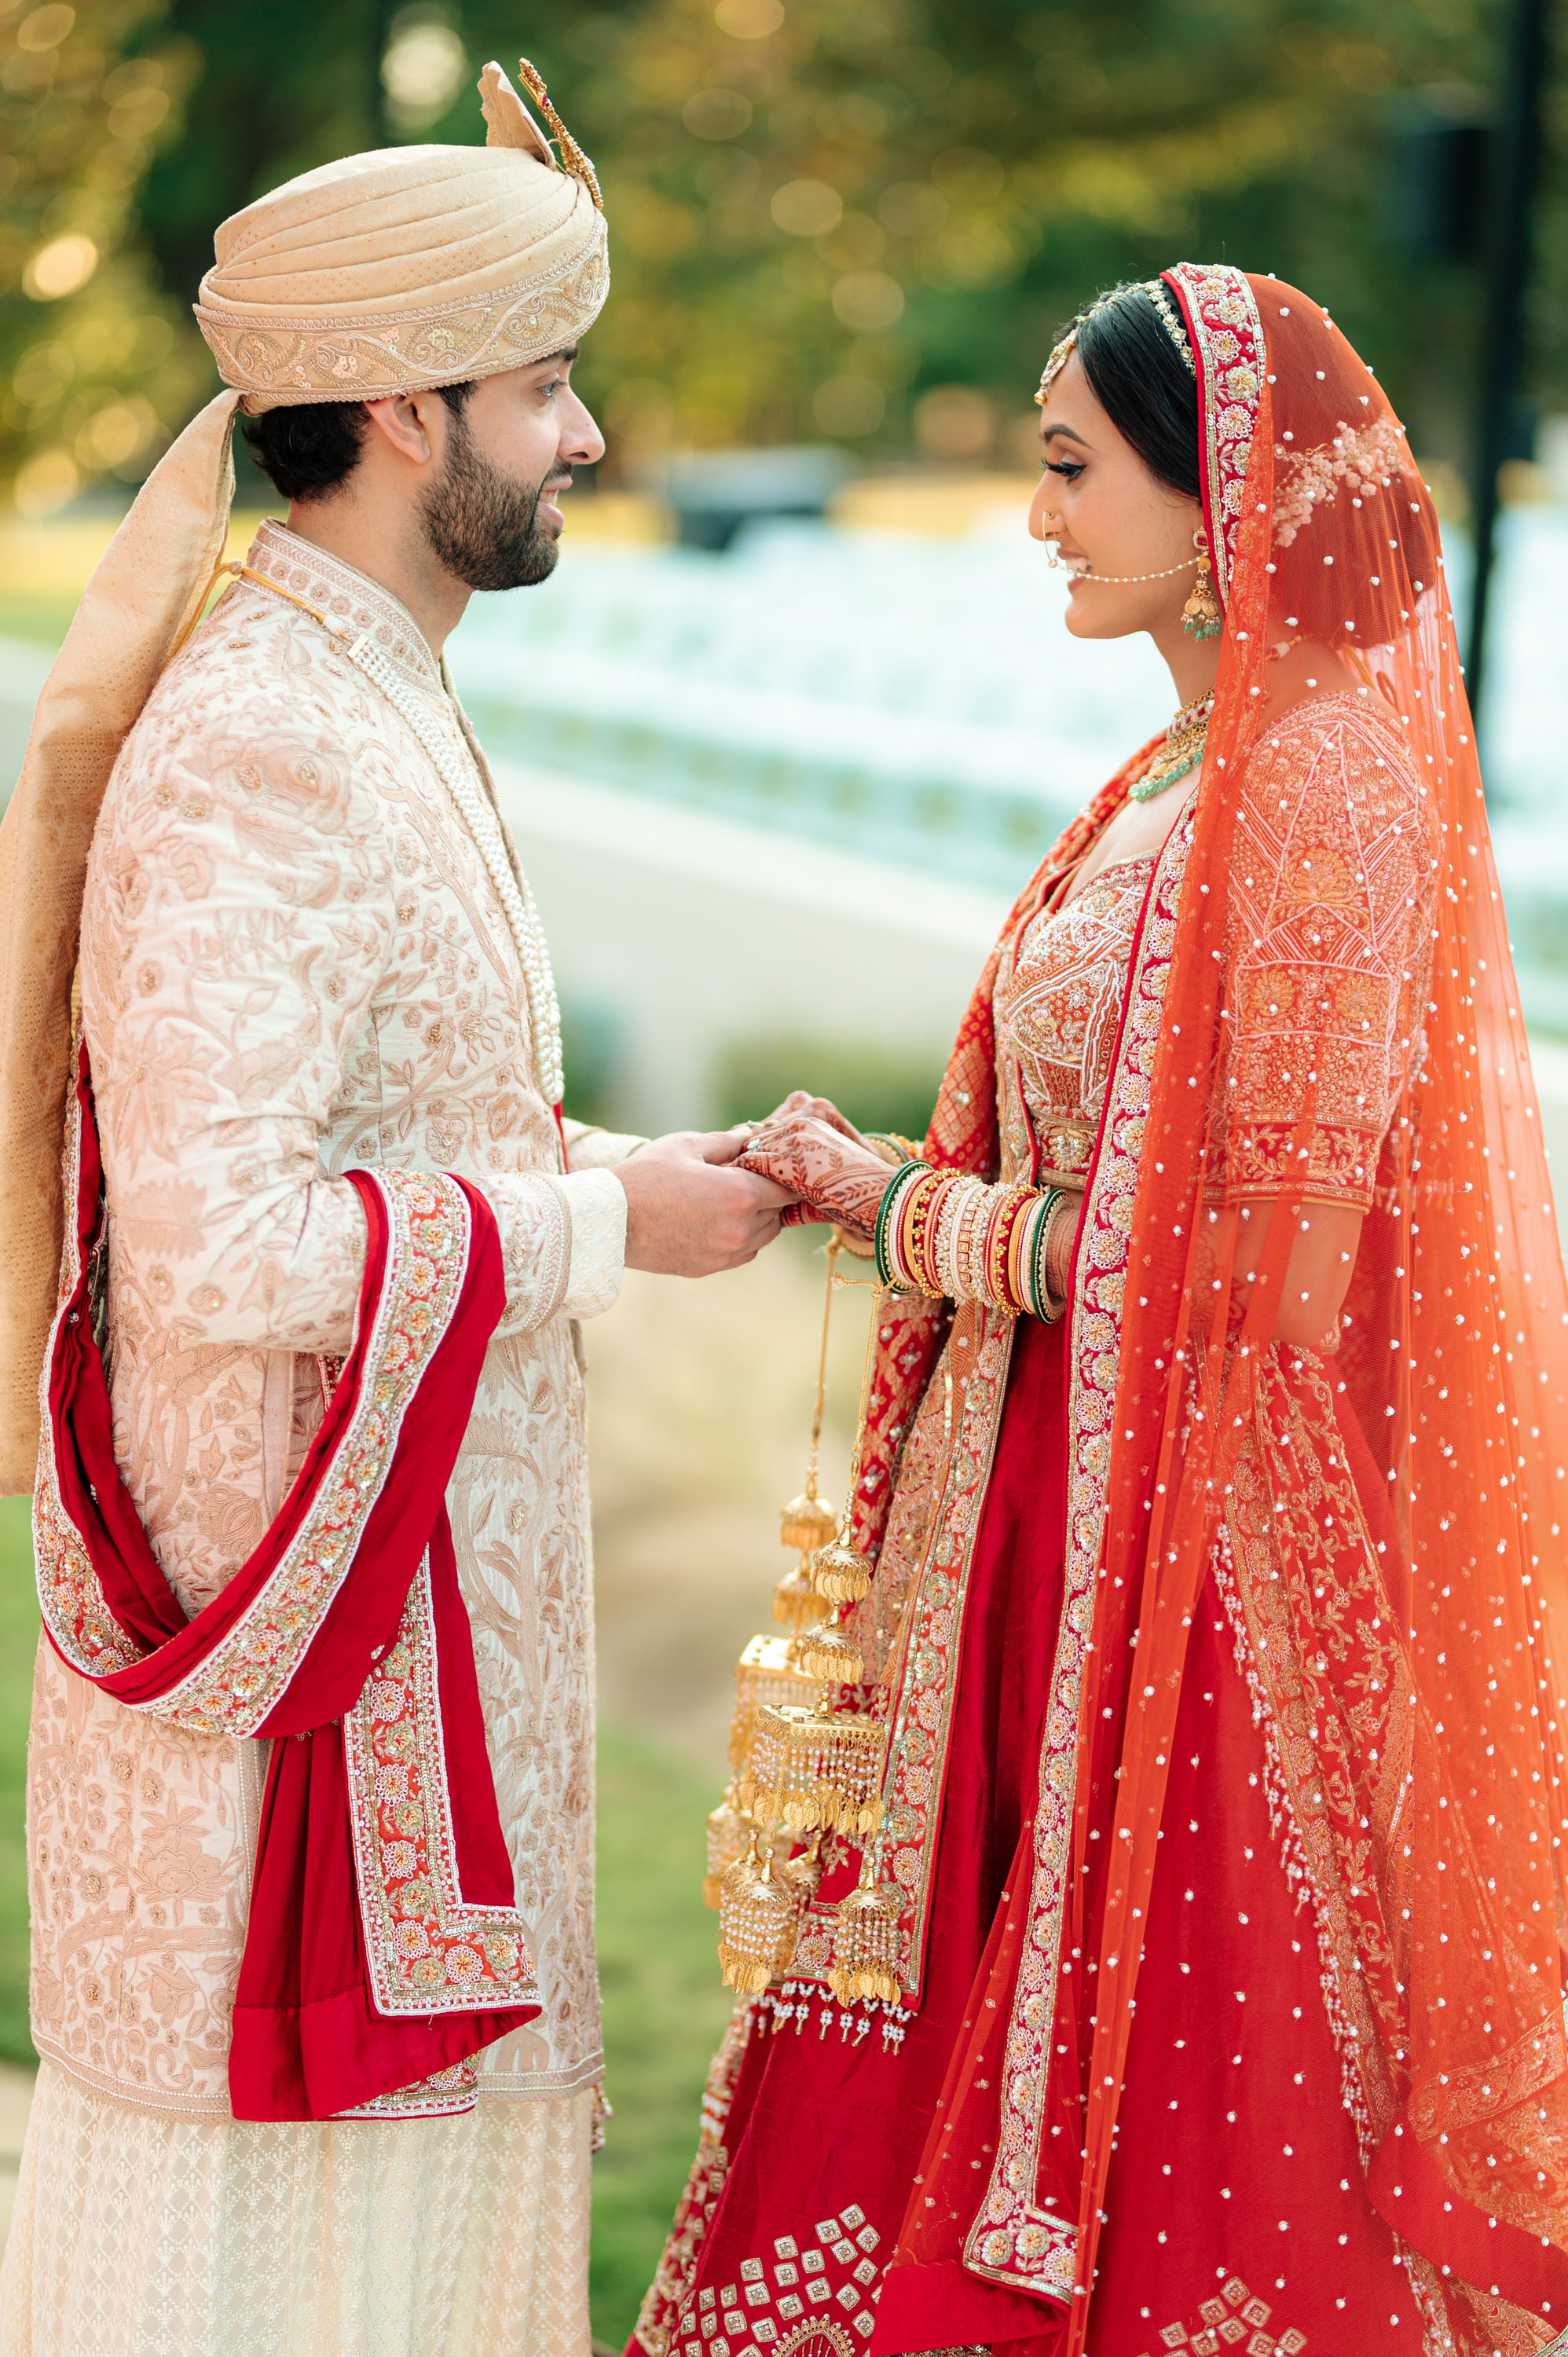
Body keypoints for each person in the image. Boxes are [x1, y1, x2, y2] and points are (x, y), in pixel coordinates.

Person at [632, 264, 1568, 2357]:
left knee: (1196, 2077)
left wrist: (901, 1212)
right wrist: (903, 1200)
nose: (1037, 517)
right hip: (1050, 1498)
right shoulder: (1166, 774)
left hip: (1195, 1555)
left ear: (1221, 481)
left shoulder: (1321, 783)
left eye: (1071, 468)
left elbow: (1259, 1271)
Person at [0, 60, 789, 2357]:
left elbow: (408, 1127)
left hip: (430, 1627)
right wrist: (592, 1231)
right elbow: (220, 1241)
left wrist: (632, 1178)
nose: (583, 438)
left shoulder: (369, 694)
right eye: (544, 388)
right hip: (307, 1706)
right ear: (405, 408)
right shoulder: (263, 735)